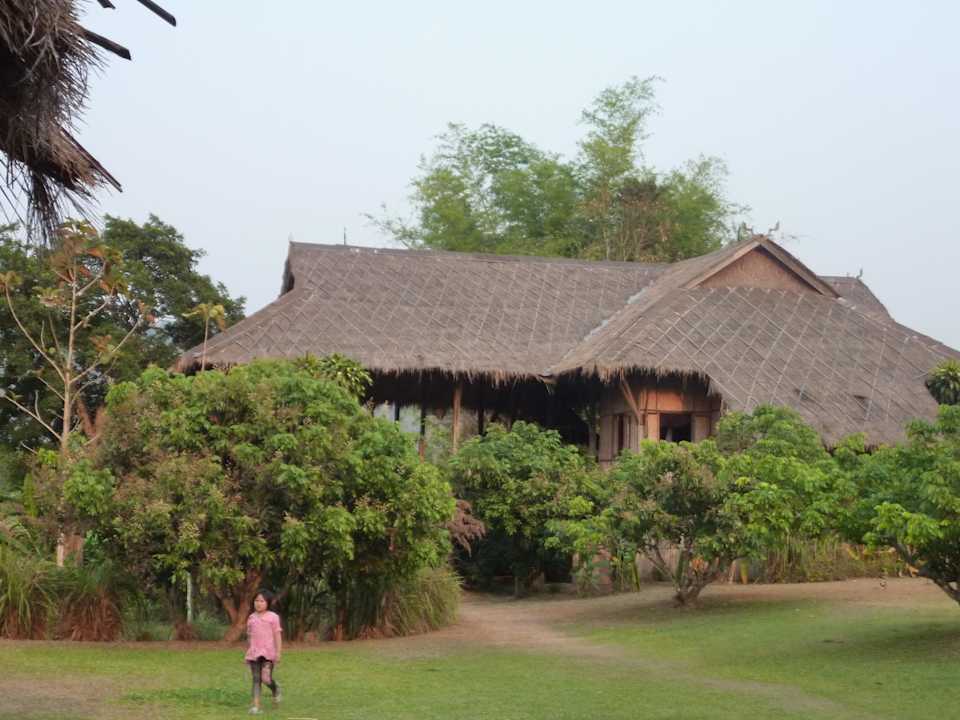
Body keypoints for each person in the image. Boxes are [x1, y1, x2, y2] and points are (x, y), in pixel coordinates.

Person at [245, 589, 283, 715]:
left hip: (268, 653)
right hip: (254, 653)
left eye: (262, 601)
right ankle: (256, 706)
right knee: (256, 679)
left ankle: (275, 688)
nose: (258, 603)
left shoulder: (273, 617)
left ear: (268, 603)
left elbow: (277, 636)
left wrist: (278, 652)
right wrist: (249, 651)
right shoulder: (251, 618)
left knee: (266, 678)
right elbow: (249, 636)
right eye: (256, 600)